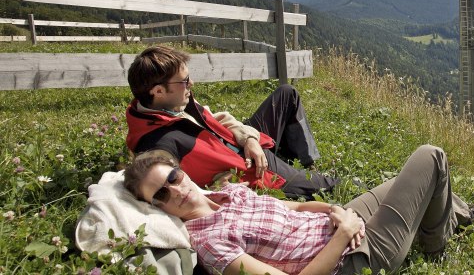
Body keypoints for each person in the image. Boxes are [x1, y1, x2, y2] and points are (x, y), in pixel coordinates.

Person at [124, 145, 474, 275]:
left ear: (181, 169)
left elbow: (297, 206)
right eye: (161, 194)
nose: (175, 190)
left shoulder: (229, 192)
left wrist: (334, 210)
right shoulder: (209, 244)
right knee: (431, 158)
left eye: (172, 176)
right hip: (350, 257)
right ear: (155, 208)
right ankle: (435, 243)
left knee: (411, 183)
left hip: (335, 223)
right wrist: (346, 231)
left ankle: (452, 216)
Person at [125, 45, 338, 200]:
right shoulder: (158, 145)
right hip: (251, 169)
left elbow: (217, 120)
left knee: (286, 93)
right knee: (332, 185)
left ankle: (305, 162)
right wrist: (213, 190)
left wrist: (249, 139)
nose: (191, 83)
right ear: (159, 91)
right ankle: (300, 175)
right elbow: (166, 191)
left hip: (238, 145)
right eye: (184, 81)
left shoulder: (172, 104)